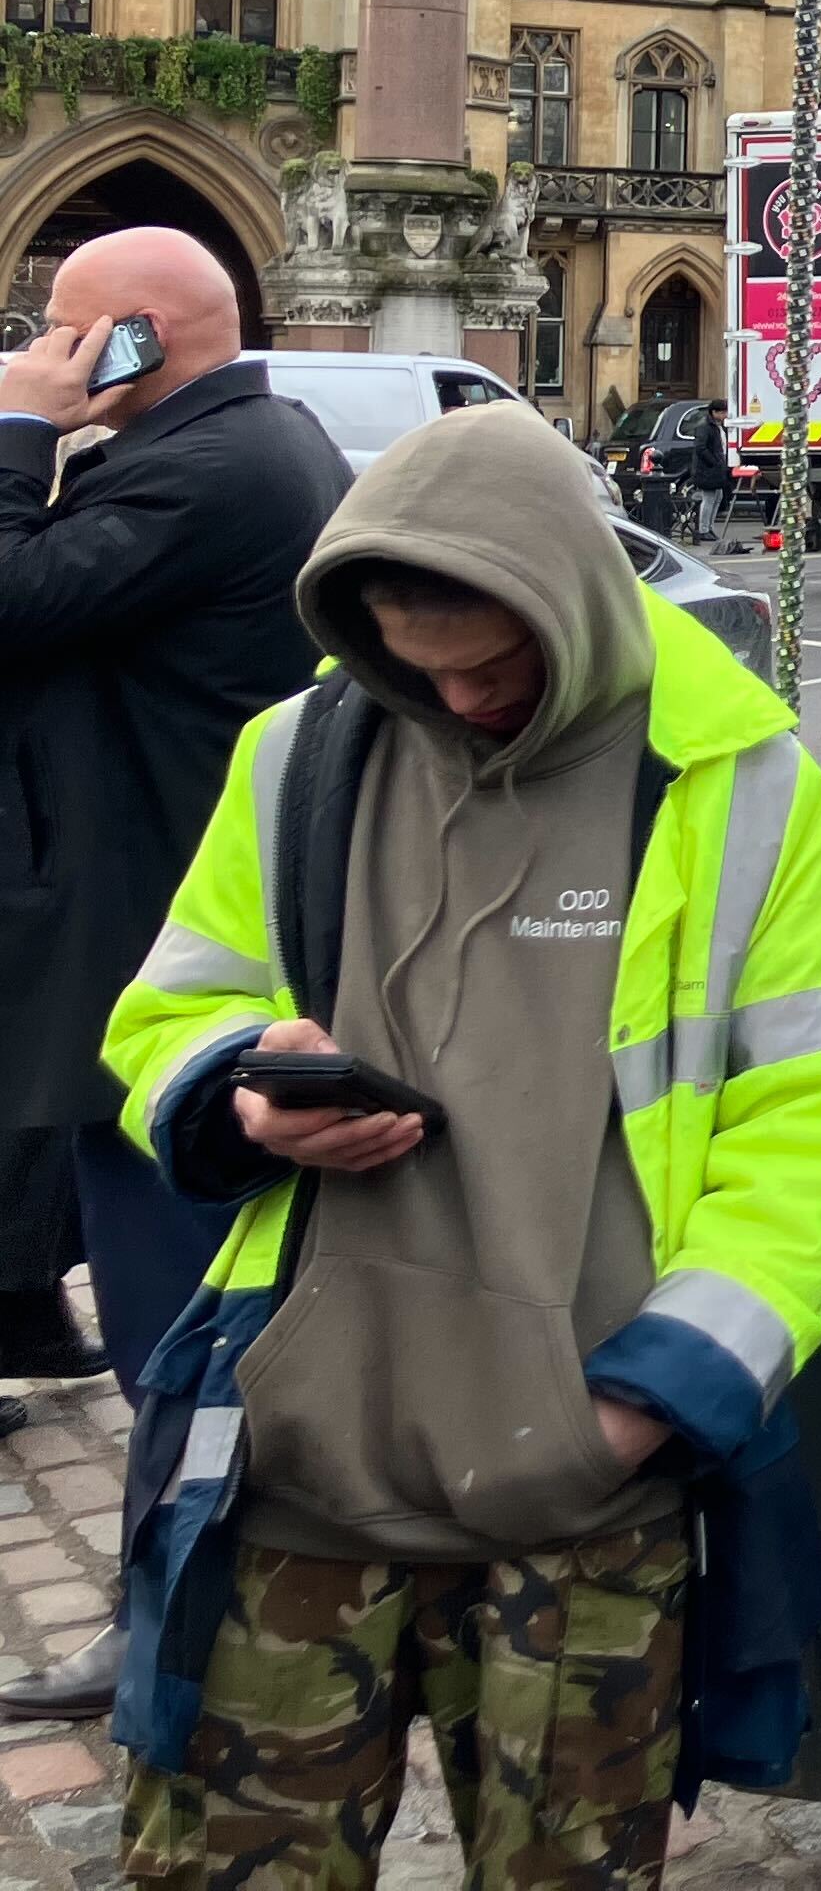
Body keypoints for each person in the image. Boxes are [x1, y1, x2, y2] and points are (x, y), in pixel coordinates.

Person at [97, 403, 821, 1884]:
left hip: (588, 1495)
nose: (458, 700)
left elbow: (817, 1122)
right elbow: (169, 1014)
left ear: (579, 611)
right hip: (298, 1470)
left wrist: (653, 1403)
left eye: (495, 664)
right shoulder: (295, 757)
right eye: (419, 667)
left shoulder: (744, 788)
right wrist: (243, 1097)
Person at [0, 230, 350, 1725]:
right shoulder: (248, 442)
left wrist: (20, 428)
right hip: (161, 936)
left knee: (174, 1336)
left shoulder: (210, 470)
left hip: (157, 962)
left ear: (135, 339)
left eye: (67, 329)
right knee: (171, 1314)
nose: (45, 346)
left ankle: (174, 1636)